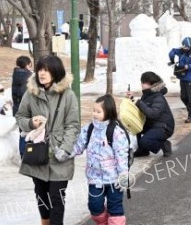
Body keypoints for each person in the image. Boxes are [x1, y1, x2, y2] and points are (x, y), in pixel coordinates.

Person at [16, 55, 80, 225]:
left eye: (46, 70)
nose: (42, 74)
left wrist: (65, 149)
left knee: (57, 198)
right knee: (41, 194)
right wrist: (30, 122)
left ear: (56, 72)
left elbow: (73, 125)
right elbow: (20, 116)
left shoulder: (68, 95)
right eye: (40, 70)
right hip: (38, 152)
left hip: (59, 154)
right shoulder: (31, 93)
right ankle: (45, 221)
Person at [72, 95, 129, 225]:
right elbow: (79, 146)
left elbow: (121, 155)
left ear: (108, 112)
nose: (95, 114)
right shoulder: (89, 129)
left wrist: (123, 176)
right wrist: (65, 153)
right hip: (95, 178)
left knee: (115, 207)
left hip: (114, 180)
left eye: (99, 111)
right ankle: (103, 222)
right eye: (94, 110)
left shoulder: (116, 131)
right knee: (95, 206)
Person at [128, 72, 175, 158]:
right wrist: (132, 99)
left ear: (152, 84)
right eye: (142, 82)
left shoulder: (158, 97)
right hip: (152, 125)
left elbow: (153, 114)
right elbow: (142, 109)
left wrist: (140, 103)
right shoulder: (146, 95)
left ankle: (164, 144)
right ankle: (143, 150)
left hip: (164, 127)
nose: (142, 84)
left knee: (144, 141)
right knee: (136, 128)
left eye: (144, 82)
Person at [169, 37, 191, 123]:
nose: (185, 49)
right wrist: (172, 59)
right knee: (183, 97)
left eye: (187, 47)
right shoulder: (181, 51)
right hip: (182, 77)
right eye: (184, 47)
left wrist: (190, 66)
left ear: (190, 46)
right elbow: (172, 51)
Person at [12, 55, 33, 156]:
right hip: (27, 109)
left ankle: (23, 154)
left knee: (23, 132)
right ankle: (27, 155)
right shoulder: (28, 77)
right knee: (29, 133)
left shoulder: (15, 75)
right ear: (28, 65)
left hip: (17, 108)